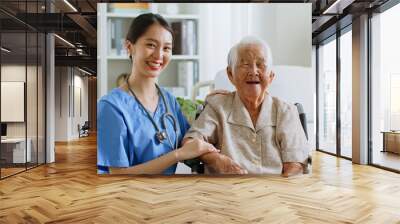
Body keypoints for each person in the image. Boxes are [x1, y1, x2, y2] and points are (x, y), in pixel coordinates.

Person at [97, 13, 218, 174]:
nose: (159, 55)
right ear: (129, 47)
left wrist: (213, 103)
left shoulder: (169, 101)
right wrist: (177, 155)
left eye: (166, 48)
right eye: (151, 45)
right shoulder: (111, 107)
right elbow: (118, 175)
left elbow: (189, 140)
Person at [183, 36, 310, 177]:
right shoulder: (217, 106)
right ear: (230, 74)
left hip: (274, 192)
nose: (253, 71)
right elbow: (191, 141)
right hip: (225, 190)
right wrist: (216, 160)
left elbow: (295, 165)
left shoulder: (286, 111)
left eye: (260, 64)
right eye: (245, 64)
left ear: (271, 76)